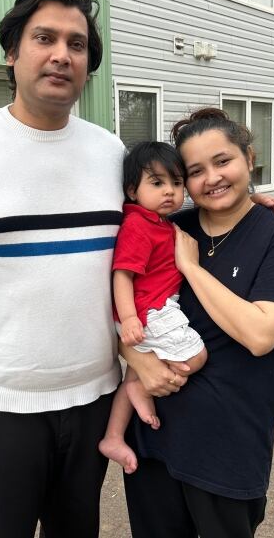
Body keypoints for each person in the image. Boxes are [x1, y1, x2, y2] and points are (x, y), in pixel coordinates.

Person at [0, 0, 274, 538]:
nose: (61, 54)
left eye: (76, 44)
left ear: (88, 63)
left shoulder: (107, 153)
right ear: (12, 53)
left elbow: (161, 221)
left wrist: (253, 206)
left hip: (93, 398)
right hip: (2, 403)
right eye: (44, 38)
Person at [121, 107, 274, 538]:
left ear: (249, 157)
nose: (212, 178)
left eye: (223, 161)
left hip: (228, 447)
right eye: (195, 171)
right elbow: (115, 302)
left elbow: (261, 335)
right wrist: (135, 356)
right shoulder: (167, 227)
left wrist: (191, 268)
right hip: (155, 441)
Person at [99, 141, 208, 475]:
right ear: (133, 190)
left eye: (176, 183)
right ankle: (137, 386)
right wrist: (130, 318)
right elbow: (122, 274)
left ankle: (113, 436)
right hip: (147, 312)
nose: (170, 192)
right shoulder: (138, 226)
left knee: (139, 367)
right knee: (195, 357)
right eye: (157, 183)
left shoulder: (158, 222)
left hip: (154, 310)